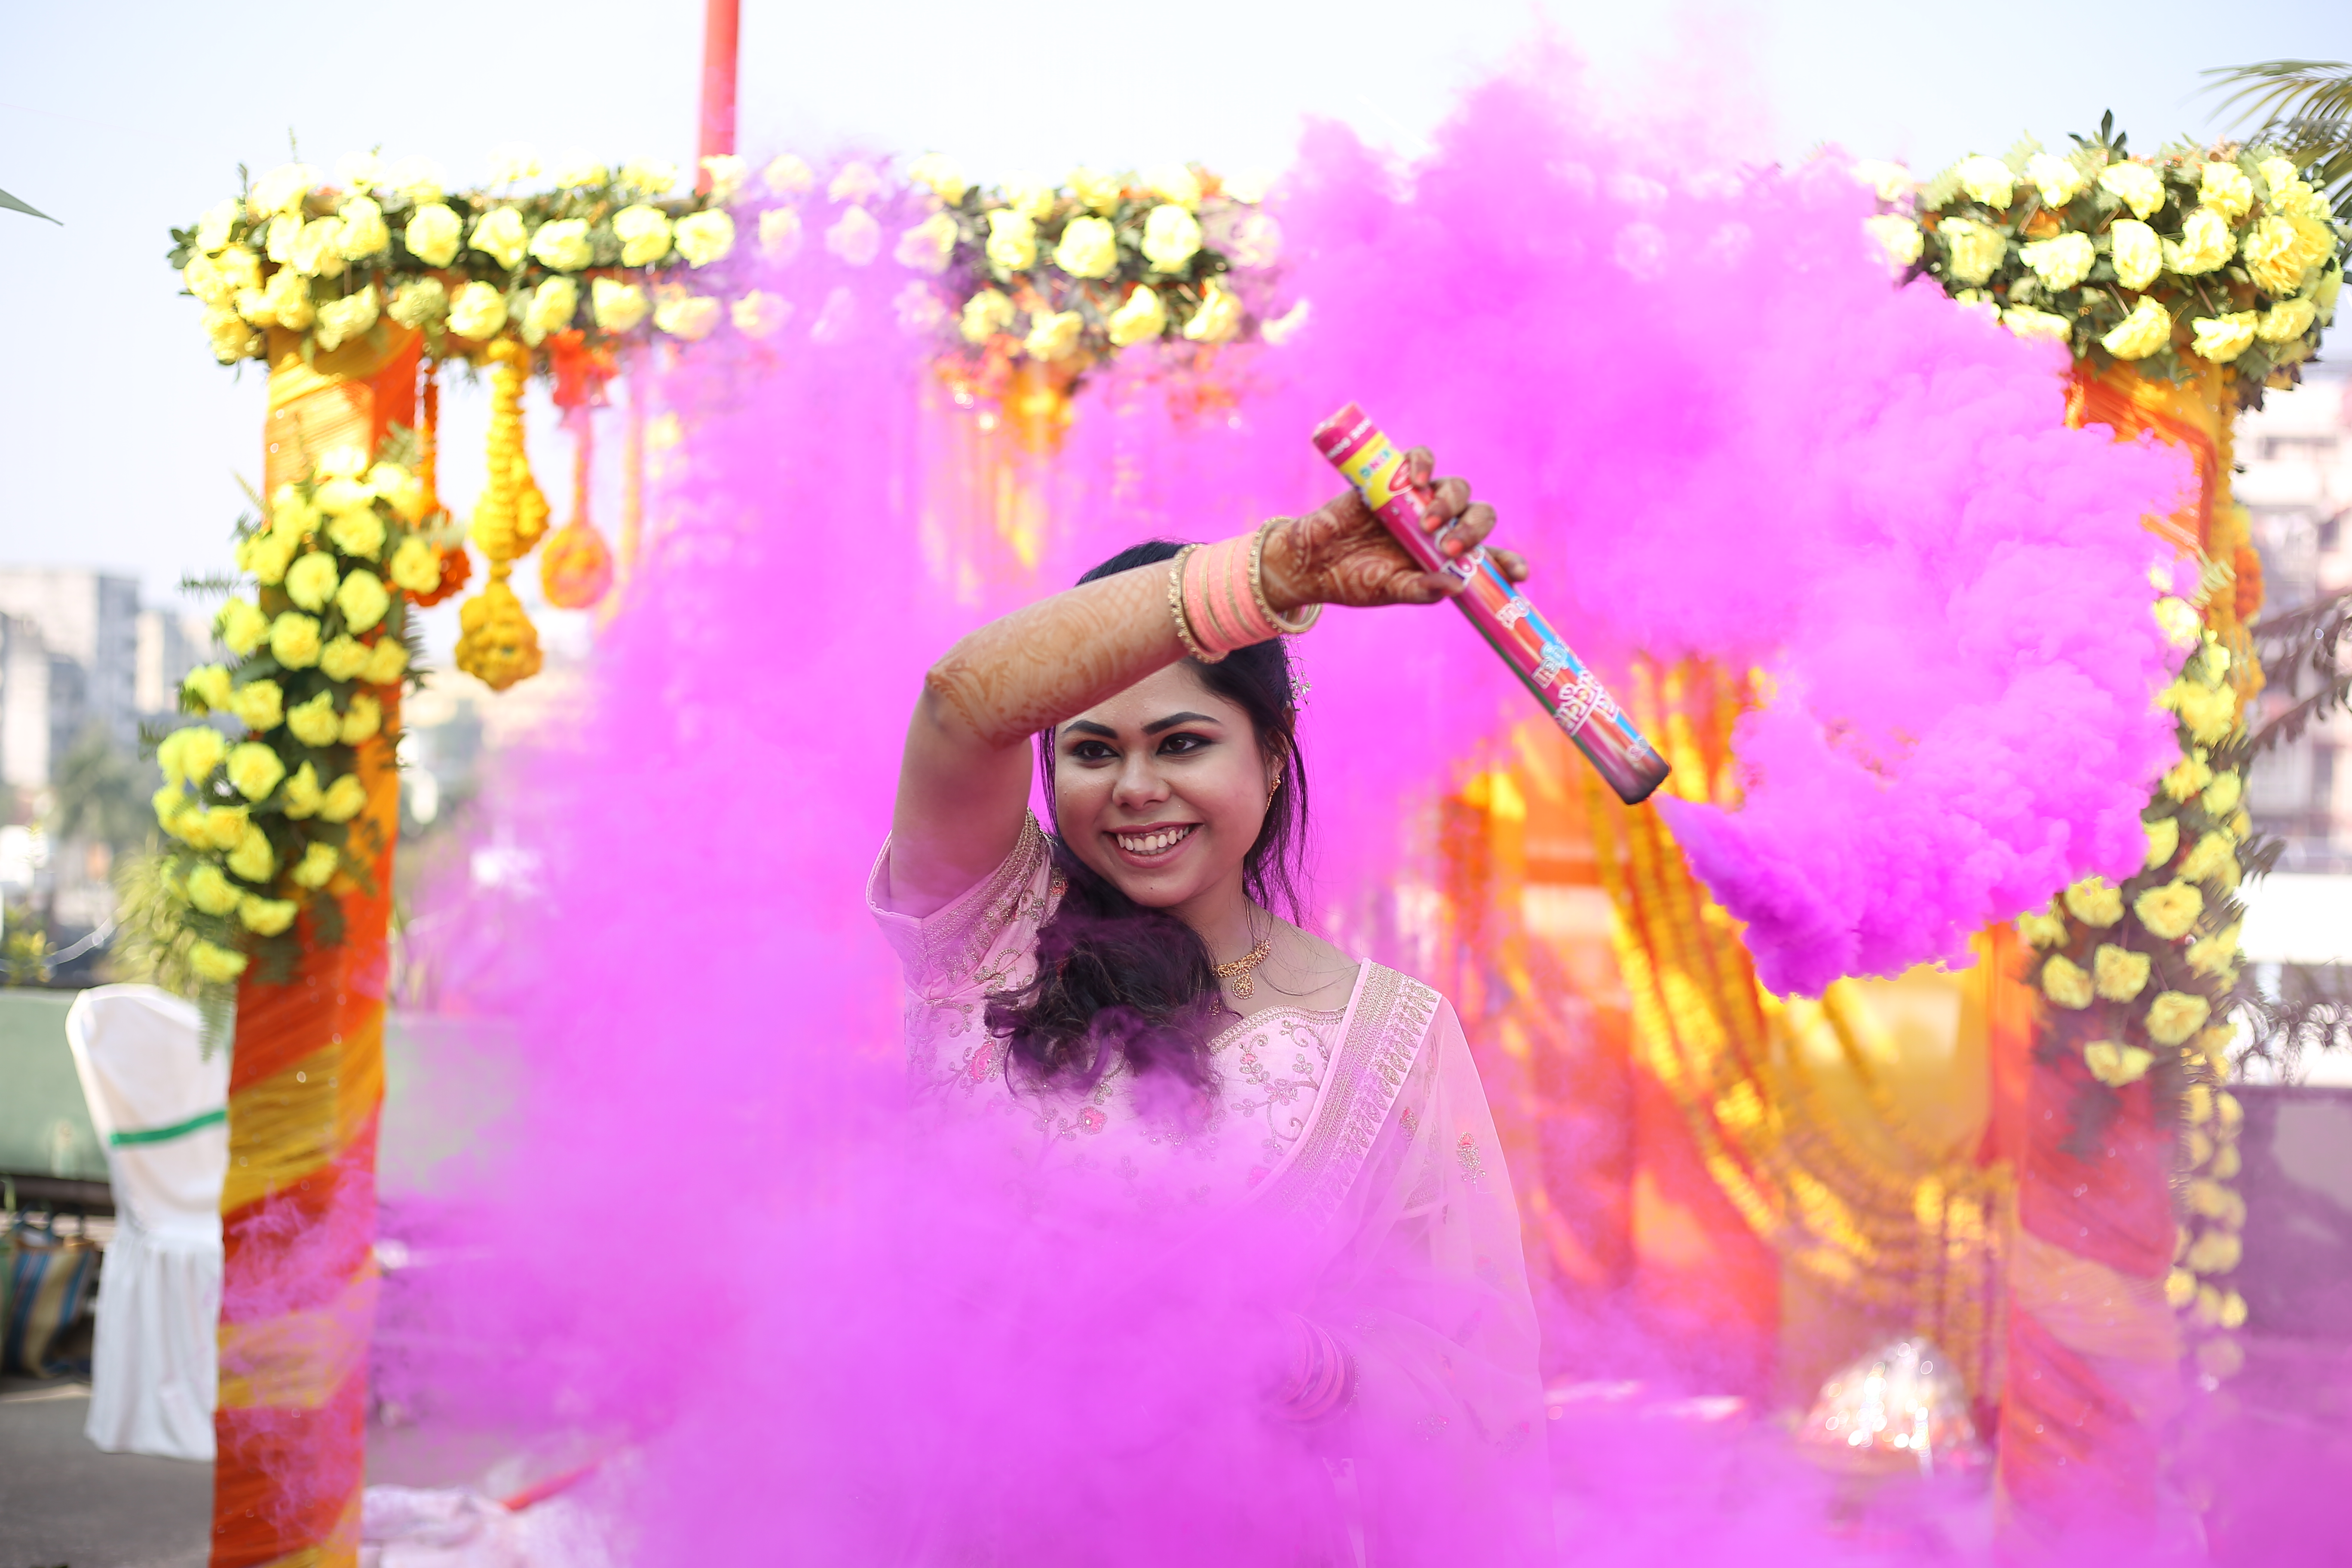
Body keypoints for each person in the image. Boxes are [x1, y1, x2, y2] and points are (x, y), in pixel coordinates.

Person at [868, 450, 1550, 1563]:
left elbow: (1473, 1380)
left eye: (1183, 743)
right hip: (946, 1523)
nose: (1136, 789)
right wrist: (1281, 571)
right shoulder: (984, 928)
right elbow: (959, 702)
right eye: (1092, 751)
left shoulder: (1386, 1032)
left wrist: (1318, 1369)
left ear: (1273, 759)